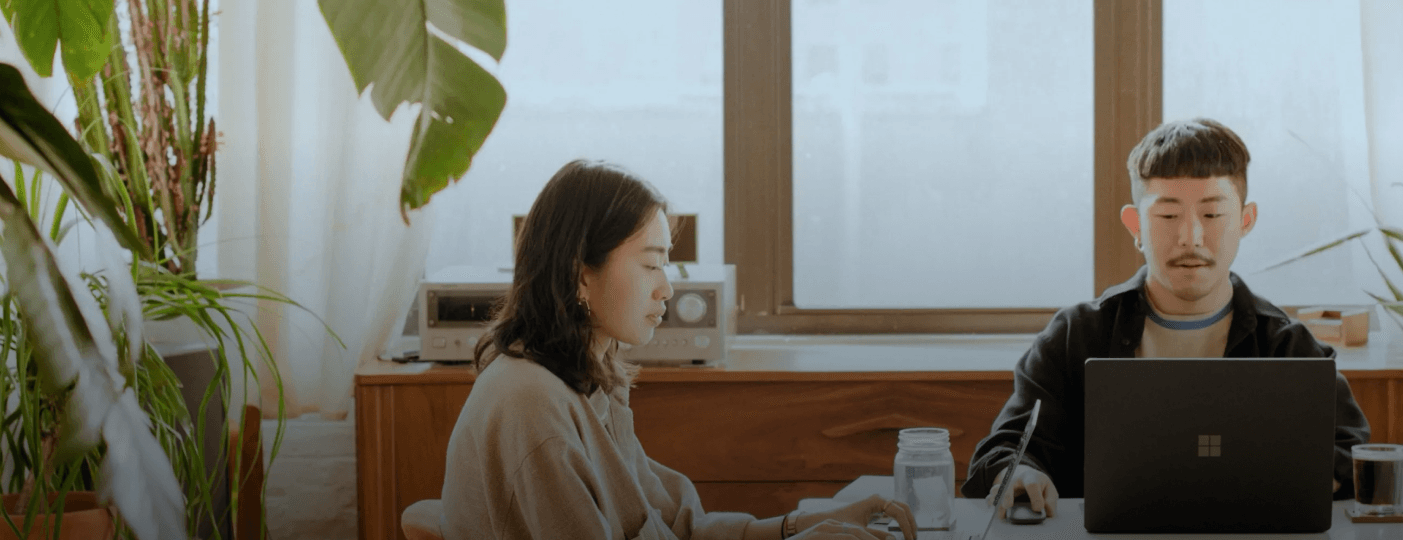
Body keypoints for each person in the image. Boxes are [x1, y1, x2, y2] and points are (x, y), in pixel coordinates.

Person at [440, 160, 918, 539]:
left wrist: (797, 527)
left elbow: (676, 526)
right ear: (581, 272)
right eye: (651, 265)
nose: (667, 290)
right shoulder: (531, 406)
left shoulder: (587, 382)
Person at [961, 118, 1372, 519]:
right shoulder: (1076, 335)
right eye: (1168, 216)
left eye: (1212, 216)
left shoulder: (1286, 344)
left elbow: (1352, 454)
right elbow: (1002, 453)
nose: (1190, 236)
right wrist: (1021, 473)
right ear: (1135, 224)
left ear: (1245, 221)